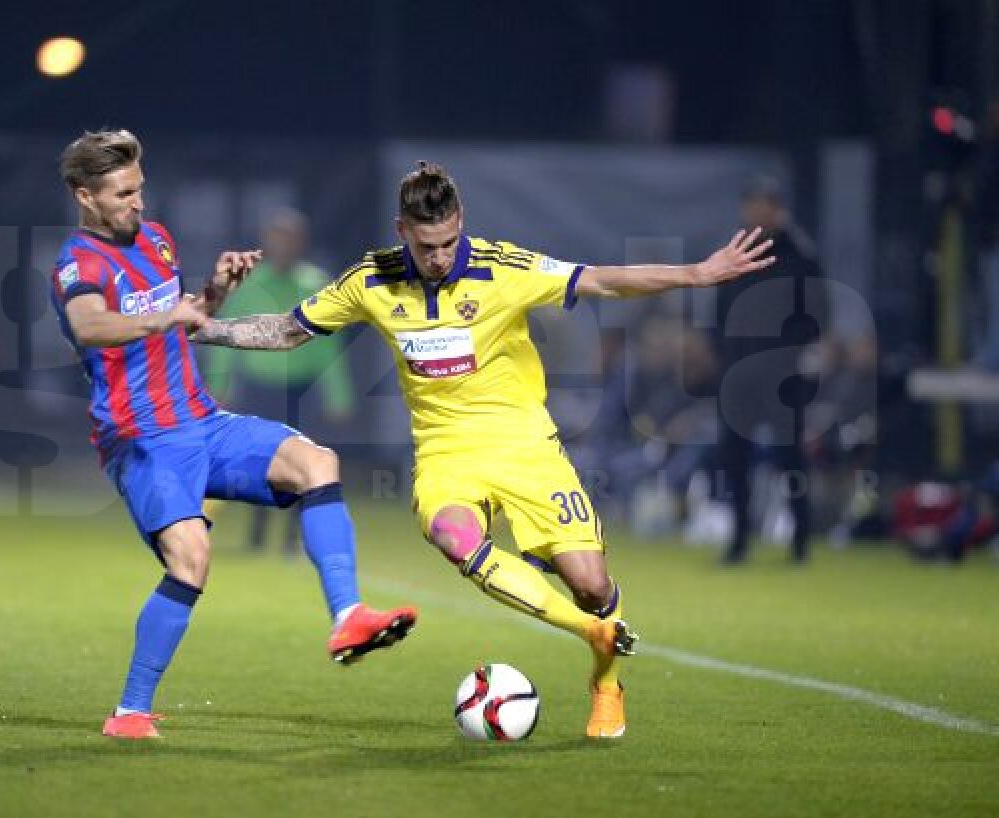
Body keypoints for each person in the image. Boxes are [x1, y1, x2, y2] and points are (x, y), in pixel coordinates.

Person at [189, 161, 774, 738]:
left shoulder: (505, 268)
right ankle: (588, 631)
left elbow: (600, 279)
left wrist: (696, 274)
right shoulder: (371, 280)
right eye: (426, 246)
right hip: (445, 455)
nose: (439, 257)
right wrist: (202, 327)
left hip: (525, 446)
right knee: (453, 535)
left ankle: (605, 680)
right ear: (402, 231)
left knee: (593, 585)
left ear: (460, 221)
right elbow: (290, 329)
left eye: (447, 242)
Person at [48, 130, 417, 740]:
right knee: (192, 559)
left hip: (203, 422)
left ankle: (348, 615)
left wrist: (217, 291)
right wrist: (165, 315)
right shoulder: (76, 263)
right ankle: (131, 712)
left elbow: (187, 320)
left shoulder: (157, 239)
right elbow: (90, 326)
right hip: (141, 441)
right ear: (84, 196)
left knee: (316, 462)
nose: (138, 203)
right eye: (122, 193)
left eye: (140, 188)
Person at [205, 208, 355, 554]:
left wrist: (339, 397)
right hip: (261, 388)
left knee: (305, 464)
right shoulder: (252, 283)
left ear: (302, 242)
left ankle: (292, 540)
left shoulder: (314, 283)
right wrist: (219, 383)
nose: (284, 244)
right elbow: (228, 333)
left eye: (291, 237)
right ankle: (257, 538)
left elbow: (329, 347)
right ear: (268, 241)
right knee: (261, 462)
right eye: (278, 237)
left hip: (302, 389)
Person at [714, 176, 829, 565]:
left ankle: (800, 540)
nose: (756, 213)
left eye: (764, 205)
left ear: (778, 210)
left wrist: (789, 352)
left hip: (781, 375)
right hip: (737, 373)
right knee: (734, 459)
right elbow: (720, 311)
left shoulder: (799, 256)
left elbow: (817, 314)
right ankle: (739, 540)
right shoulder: (734, 254)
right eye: (751, 204)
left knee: (789, 459)